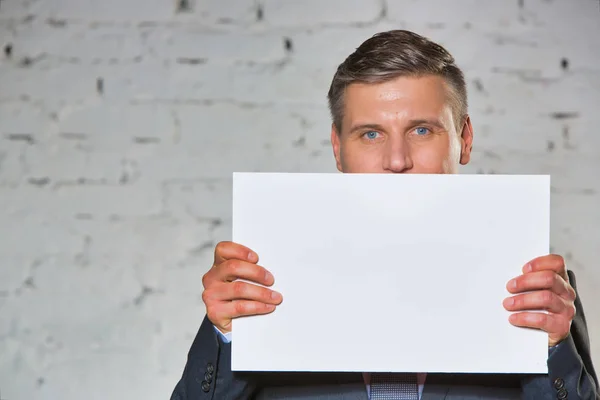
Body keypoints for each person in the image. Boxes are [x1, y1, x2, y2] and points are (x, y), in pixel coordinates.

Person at [170, 30, 599, 400]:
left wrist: (553, 348)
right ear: (339, 148)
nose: (397, 160)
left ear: (464, 139)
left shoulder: (537, 286)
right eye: (371, 133)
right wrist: (224, 333)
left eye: (422, 130)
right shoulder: (265, 274)